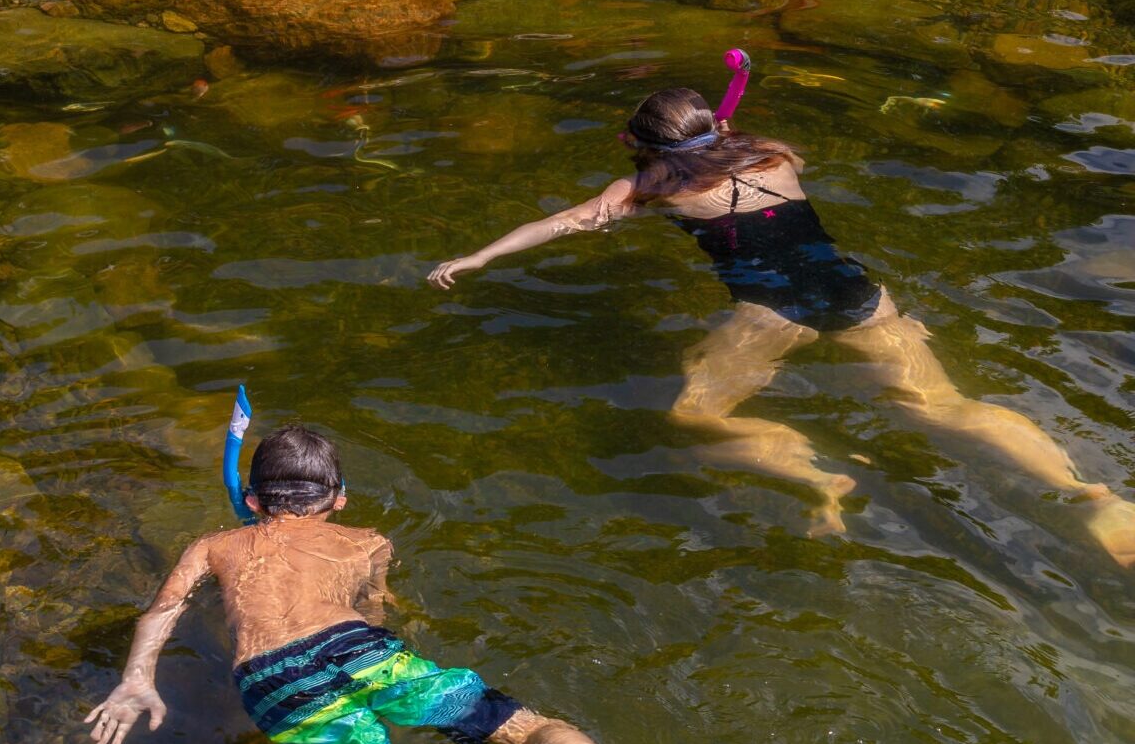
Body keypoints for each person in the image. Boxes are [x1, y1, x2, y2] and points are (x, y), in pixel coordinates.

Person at [429, 86, 1135, 565]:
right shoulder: (775, 154)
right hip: (856, 292)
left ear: (632, 143)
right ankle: (1096, 498)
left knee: (695, 413)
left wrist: (480, 253)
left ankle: (820, 477)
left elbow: (561, 225)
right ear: (721, 127)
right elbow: (748, 153)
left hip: (774, 311)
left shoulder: (649, 188)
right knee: (945, 406)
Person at [85, 423, 691, 744]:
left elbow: (162, 612)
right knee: (521, 727)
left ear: (252, 496)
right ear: (339, 498)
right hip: (361, 649)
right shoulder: (368, 542)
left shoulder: (215, 545)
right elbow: (374, 616)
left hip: (275, 678)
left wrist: (137, 680)